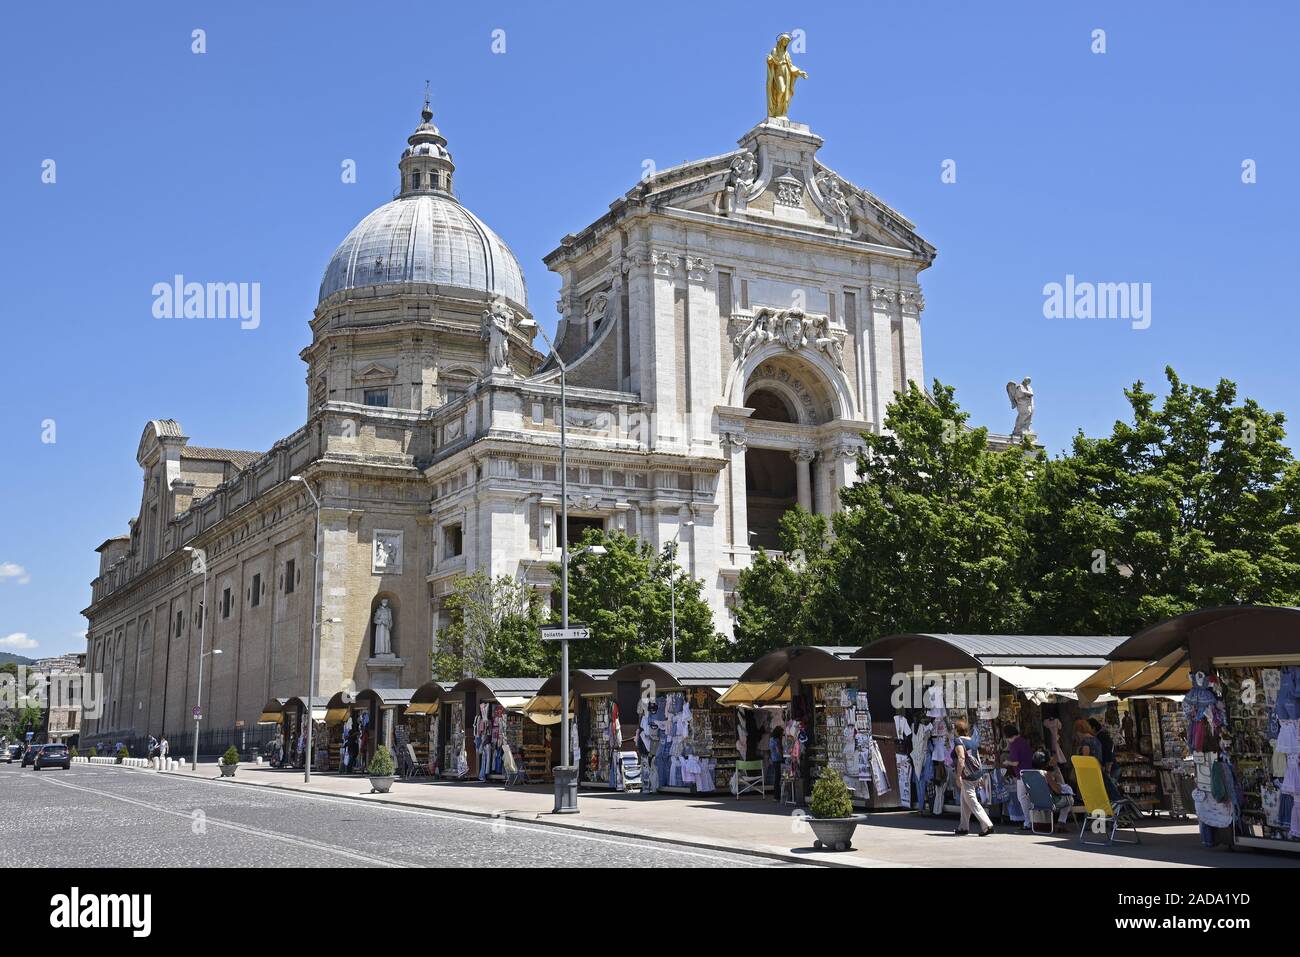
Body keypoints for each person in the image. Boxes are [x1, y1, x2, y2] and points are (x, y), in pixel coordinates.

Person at [952, 718, 994, 836]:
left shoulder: (958, 741)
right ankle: (963, 827)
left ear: (957, 730)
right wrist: (980, 775)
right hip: (976, 774)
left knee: (972, 801)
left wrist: (958, 776)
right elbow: (977, 759)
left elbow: (961, 759)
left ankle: (987, 825)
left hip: (967, 776)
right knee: (965, 800)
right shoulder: (972, 741)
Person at [1072, 718, 1120, 800]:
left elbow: (1085, 760)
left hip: (1089, 776)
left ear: (1078, 731)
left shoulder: (1085, 742)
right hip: (1098, 773)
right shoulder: (1096, 740)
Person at [1002, 724, 1035, 830]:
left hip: (1022, 774)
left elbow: (1015, 762)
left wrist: (1007, 762)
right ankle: (1031, 820)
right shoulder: (1023, 741)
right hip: (1029, 772)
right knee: (1028, 797)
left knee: (1021, 797)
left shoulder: (1015, 744)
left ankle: (1027, 821)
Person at [1036, 752, 1077, 831]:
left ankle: (1061, 823)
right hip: (1049, 803)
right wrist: (1056, 781)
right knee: (1070, 799)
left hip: (1036, 802)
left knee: (1066, 798)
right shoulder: (1046, 774)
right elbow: (1057, 790)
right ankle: (1061, 823)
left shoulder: (1030, 773)